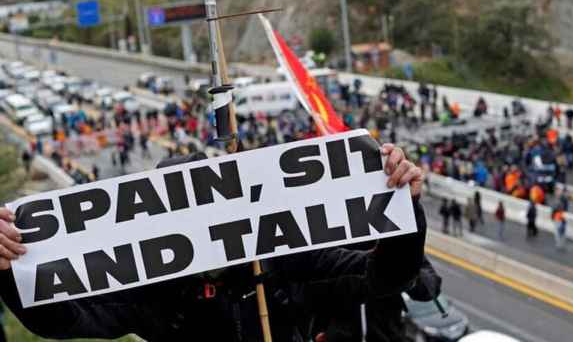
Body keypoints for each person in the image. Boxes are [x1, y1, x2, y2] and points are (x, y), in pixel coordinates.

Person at [0, 144, 429, 341]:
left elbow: (384, 277)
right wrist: (8, 266)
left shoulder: (284, 261)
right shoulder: (149, 288)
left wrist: (403, 208)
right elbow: (63, 320)